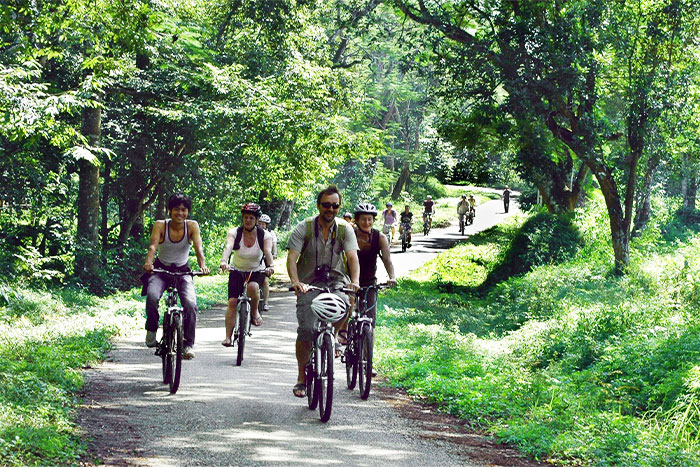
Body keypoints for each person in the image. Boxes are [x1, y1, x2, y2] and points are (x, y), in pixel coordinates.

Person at [287, 185, 360, 398]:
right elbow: (292, 258)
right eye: (326, 205)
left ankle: (334, 336)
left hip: (336, 281)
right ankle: (302, 375)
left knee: (347, 301)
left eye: (335, 206)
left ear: (339, 207)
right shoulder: (305, 228)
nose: (331, 209)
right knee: (307, 329)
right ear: (318, 205)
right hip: (309, 283)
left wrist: (354, 281)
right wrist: (296, 281)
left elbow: (353, 257)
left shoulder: (345, 229)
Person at [143, 193, 210, 360]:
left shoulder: (192, 226)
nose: (180, 213)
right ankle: (151, 328)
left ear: (187, 211)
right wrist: (148, 263)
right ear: (169, 211)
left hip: (183, 271)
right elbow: (153, 246)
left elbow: (198, 248)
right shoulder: (160, 225)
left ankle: (188, 344)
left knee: (190, 304)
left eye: (183, 210)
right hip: (161, 270)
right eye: (176, 210)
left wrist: (203, 265)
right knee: (152, 296)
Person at [219, 203, 274, 346]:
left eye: (251, 218)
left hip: (256, 270)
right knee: (232, 302)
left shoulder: (264, 235)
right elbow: (228, 247)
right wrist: (224, 261)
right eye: (245, 217)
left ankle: (255, 312)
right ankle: (228, 337)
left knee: (253, 287)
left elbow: (267, 252)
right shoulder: (235, 233)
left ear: (256, 220)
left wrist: (271, 266)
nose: (248, 220)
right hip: (237, 270)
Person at [258, 214, 277, 312]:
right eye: (260, 223)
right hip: (255, 258)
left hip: (265, 258)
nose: (261, 225)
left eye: (263, 224)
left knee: (265, 281)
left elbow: (273, 245)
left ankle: (265, 302)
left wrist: (274, 254)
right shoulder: (254, 232)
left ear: (267, 225)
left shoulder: (270, 234)